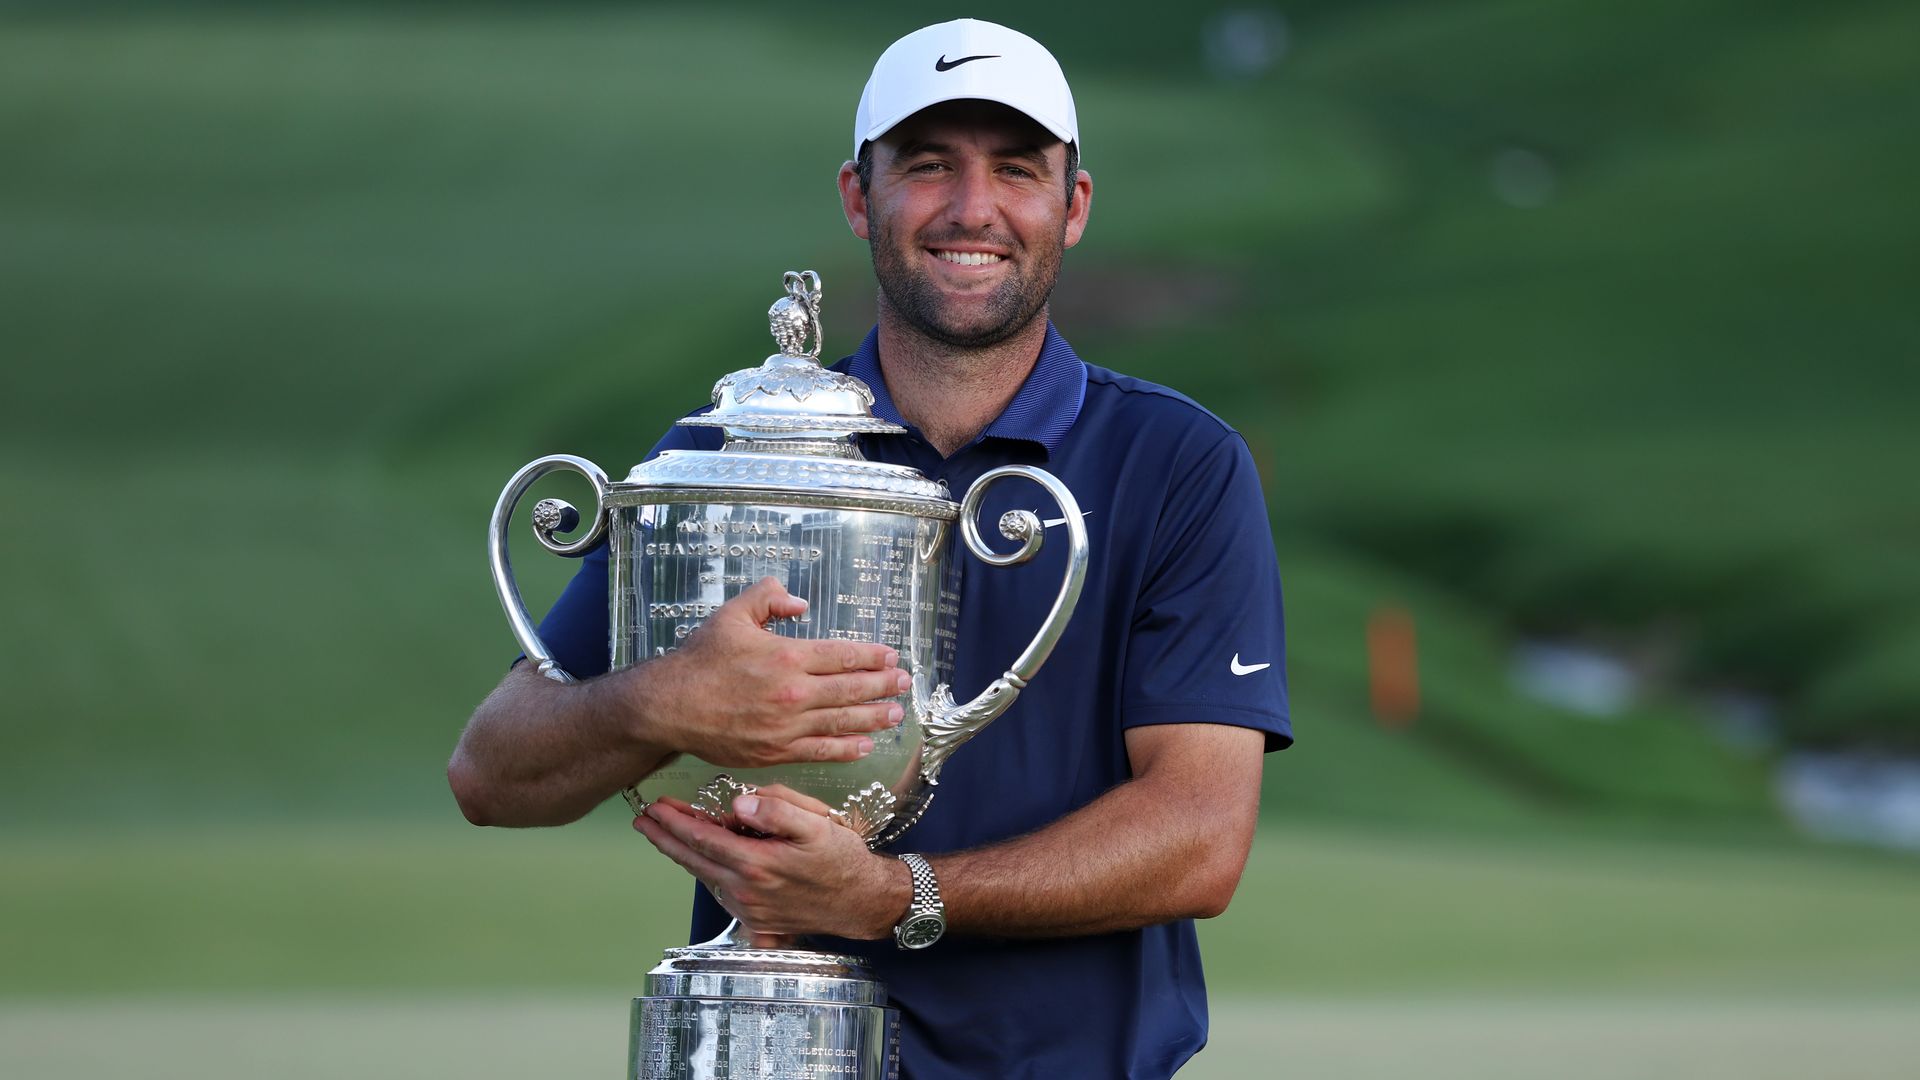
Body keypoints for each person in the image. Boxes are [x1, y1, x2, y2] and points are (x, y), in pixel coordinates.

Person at [449, 19, 1291, 1078]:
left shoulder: (1176, 463)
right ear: (859, 196)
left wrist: (895, 898)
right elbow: (493, 774)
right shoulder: (734, 456)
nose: (972, 209)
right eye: (929, 166)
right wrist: (657, 701)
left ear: (1073, 207)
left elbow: (1201, 836)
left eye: (1016, 171)